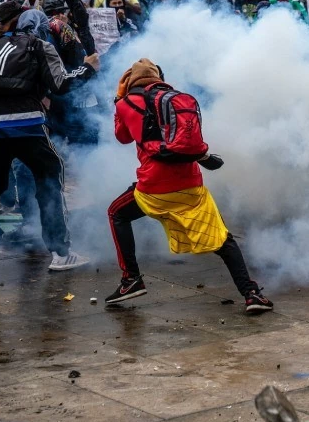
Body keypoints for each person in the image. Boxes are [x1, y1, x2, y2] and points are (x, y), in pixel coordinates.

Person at [106, 58, 273, 314]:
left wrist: (119, 100)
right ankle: (252, 295)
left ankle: (131, 279)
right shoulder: (177, 99)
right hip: (190, 187)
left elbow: (122, 137)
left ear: (131, 82)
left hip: (153, 189)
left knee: (117, 213)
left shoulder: (127, 103)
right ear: (159, 77)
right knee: (222, 240)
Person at [0, 0, 99, 273]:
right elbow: (61, 85)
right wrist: (89, 67)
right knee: (49, 179)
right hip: (28, 125)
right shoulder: (39, 46)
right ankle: (60, 253)